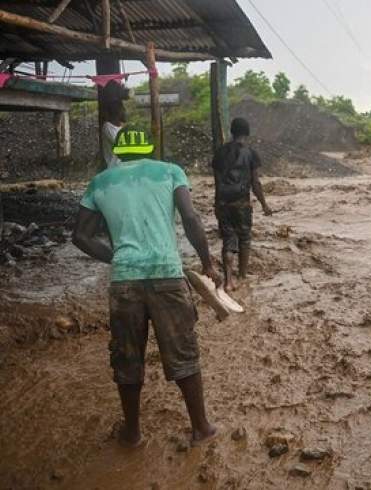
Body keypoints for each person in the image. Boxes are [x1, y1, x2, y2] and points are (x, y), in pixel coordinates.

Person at [73, 127, 220, 447]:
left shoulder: (100, 181)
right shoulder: (169, 171)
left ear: (119, 152)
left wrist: (118, 257)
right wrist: (208, 263)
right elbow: (191, 219)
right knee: (183, 352)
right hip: (167, 274)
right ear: (148, 147)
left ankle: (132, 433)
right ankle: (201, 428)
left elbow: (81, 237)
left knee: (127, 357)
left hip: (125, 281)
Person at [211, 117, 273, 291]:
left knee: (228, 240)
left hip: (223, 202)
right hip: (241, 203)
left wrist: (217, 205)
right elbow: (255, 183)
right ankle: (243, 275)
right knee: (244, 239)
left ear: (232, 132)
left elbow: (217, 182)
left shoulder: (220, 153)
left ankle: (229, 280)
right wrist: (264, 205)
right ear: (247, 133)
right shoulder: (251, 153)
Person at [101, 100, 125, 169]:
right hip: (114, 168)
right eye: (123, 110)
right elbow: (120, 143)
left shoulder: (121, 127)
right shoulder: (107, 127)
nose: (125, 112)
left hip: (123, 166)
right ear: (117, 112)